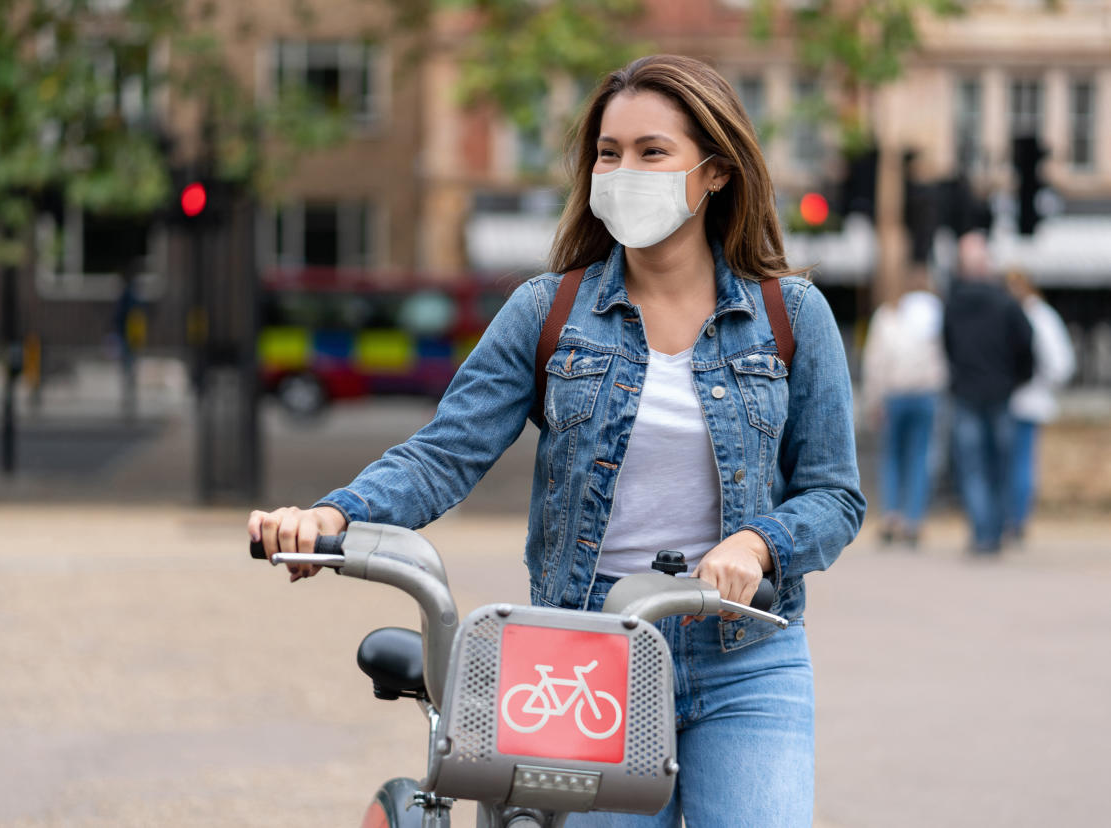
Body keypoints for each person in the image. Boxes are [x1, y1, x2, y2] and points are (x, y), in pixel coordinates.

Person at [249, 54, 864, 827]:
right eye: (610, 153)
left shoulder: (793, 316)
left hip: (747, 658)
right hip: (586, 663)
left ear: (715, 173)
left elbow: (836, 496)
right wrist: (333, 516)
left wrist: (759, 543)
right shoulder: (547, 311)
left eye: (652, 152)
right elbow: (445, 454)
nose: (623, 169)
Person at [941, 232, 1034, 554]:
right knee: (1000, 465)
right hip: (1000, 393)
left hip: (967, 392)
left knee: (973, 468)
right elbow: (1026, 343)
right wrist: (1019, 378)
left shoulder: (953, 304)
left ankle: (982, 532)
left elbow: (947, 346)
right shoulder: (1006, 302)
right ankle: (994, 531)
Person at [861, 265, 947, 546]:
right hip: (925, 393)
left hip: (893, 394)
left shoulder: (888, 316)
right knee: (919, 456)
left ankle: (891, 516)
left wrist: (873, 399)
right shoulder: (936, 315)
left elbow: (875, 360)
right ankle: (914, 519)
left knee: (891, 457)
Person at [1003, 268, 1075, 542]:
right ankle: (1015, 520)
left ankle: (1013, 519)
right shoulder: (1041, 316)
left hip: (1020, 399)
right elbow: (1062, 364)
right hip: (1026, 399)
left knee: (1013, 464)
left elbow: (1059, 364)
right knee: (1019, 463)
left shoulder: (1037, 316)